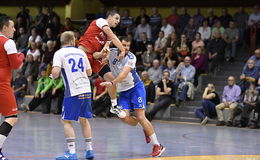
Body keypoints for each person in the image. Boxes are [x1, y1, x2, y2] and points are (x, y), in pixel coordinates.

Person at [101, 37, 165, 157]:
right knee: (124, 117)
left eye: (128, 46)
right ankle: (146, 128)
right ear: (118, 44)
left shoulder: (131, 58)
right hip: (123, 91)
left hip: (136, 88)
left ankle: (157, 145)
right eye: (123, 45)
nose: (125, 48)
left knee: (141, 116)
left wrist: (112, 83)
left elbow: (124, 74)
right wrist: (106, 46)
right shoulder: (113, 52)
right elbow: (106, 43)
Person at [52, 31, 94, 159]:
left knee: (66, 121)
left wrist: (53, 74)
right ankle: (89, 150)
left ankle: (71, 152)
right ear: (72, 41)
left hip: (73, 91)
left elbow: (56, 72)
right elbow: (89, 72)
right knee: (84, 120)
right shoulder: (81, 52)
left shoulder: (59, 53)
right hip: (86, 90)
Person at [78, 10, 126, 118]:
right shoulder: (100, 21)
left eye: (119, 20)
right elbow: (113, 37)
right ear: (109, 17)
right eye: (116, 18)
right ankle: (78, 105)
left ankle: (114, 106)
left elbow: (102, 51)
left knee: (111, 78)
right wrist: (122, 50)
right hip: (84, 54)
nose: (118, 21)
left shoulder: (107, 38)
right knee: (81, 80)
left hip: (94, 56)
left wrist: (104, 55)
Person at [0, 15, 25, 159]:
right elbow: (16, 64)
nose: (14, 30)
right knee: (11, 117)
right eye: (12, 27)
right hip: (2, 82)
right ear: (4, 27)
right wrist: (21, 55)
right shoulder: (8, 42)